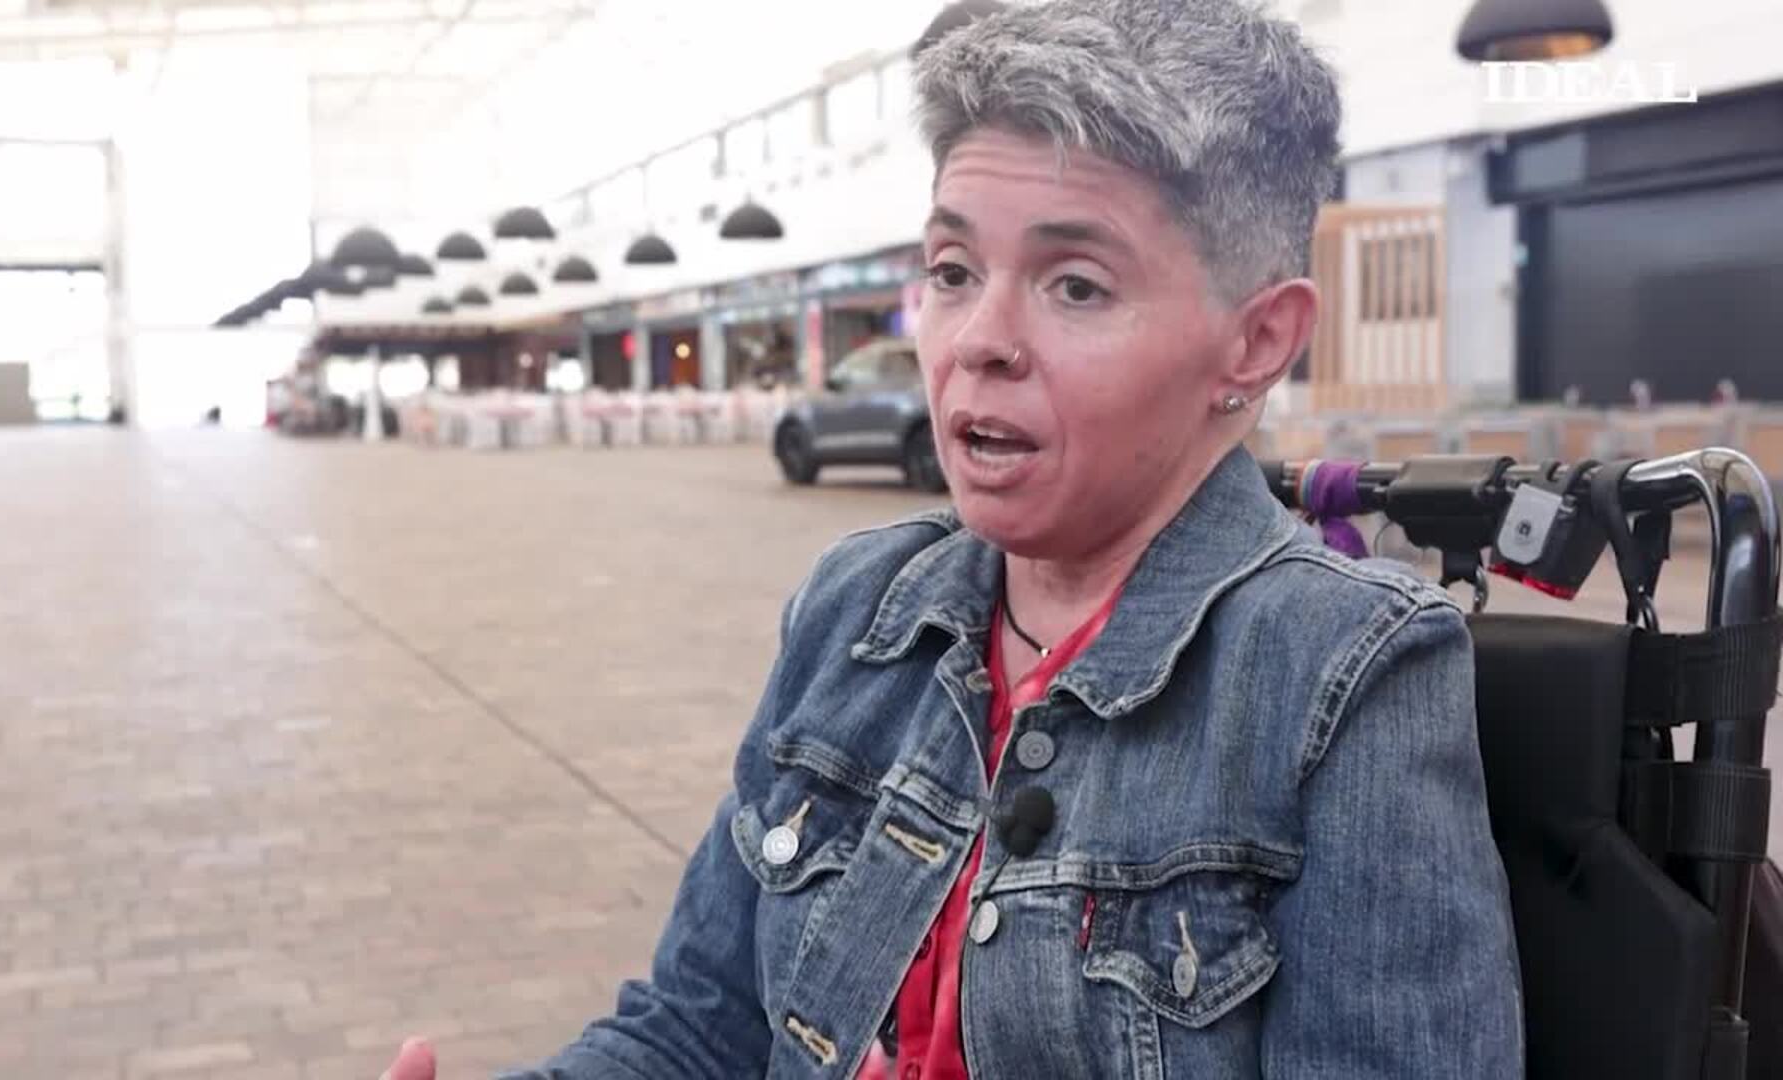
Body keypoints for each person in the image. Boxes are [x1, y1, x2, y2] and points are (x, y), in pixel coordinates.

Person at [386, 0, 1522, 1076]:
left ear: (1257, 341)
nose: (979, 338)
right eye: (952, 271)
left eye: (1076, 286)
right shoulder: (855, 610)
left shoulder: (1345, 678)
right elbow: (700, 1031)